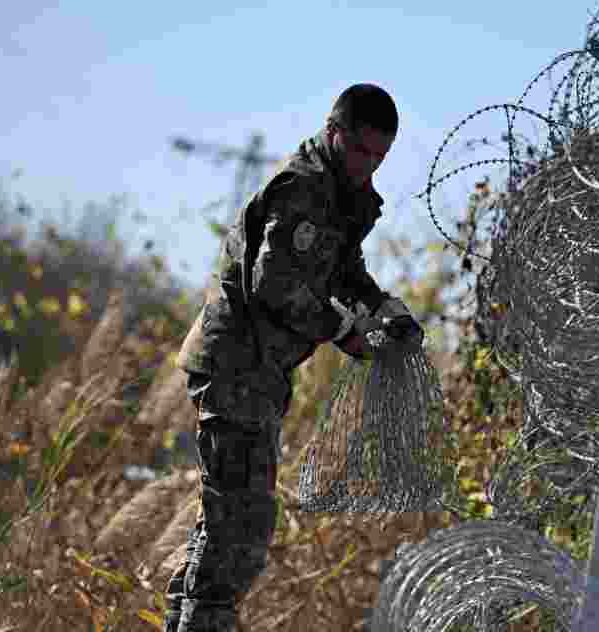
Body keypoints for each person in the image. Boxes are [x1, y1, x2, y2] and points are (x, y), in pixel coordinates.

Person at [163, 83, 424, 632]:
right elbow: (274, 284)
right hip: (237, 367)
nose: (368, 166)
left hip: (255, 372)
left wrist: (382, 310)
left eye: (379, 157)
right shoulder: (304, 190)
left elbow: (341, 271)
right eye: (360, 152)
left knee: (224, 525)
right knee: (242, 529)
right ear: (335, 135)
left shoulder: (340, 194)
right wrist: (345, 333)